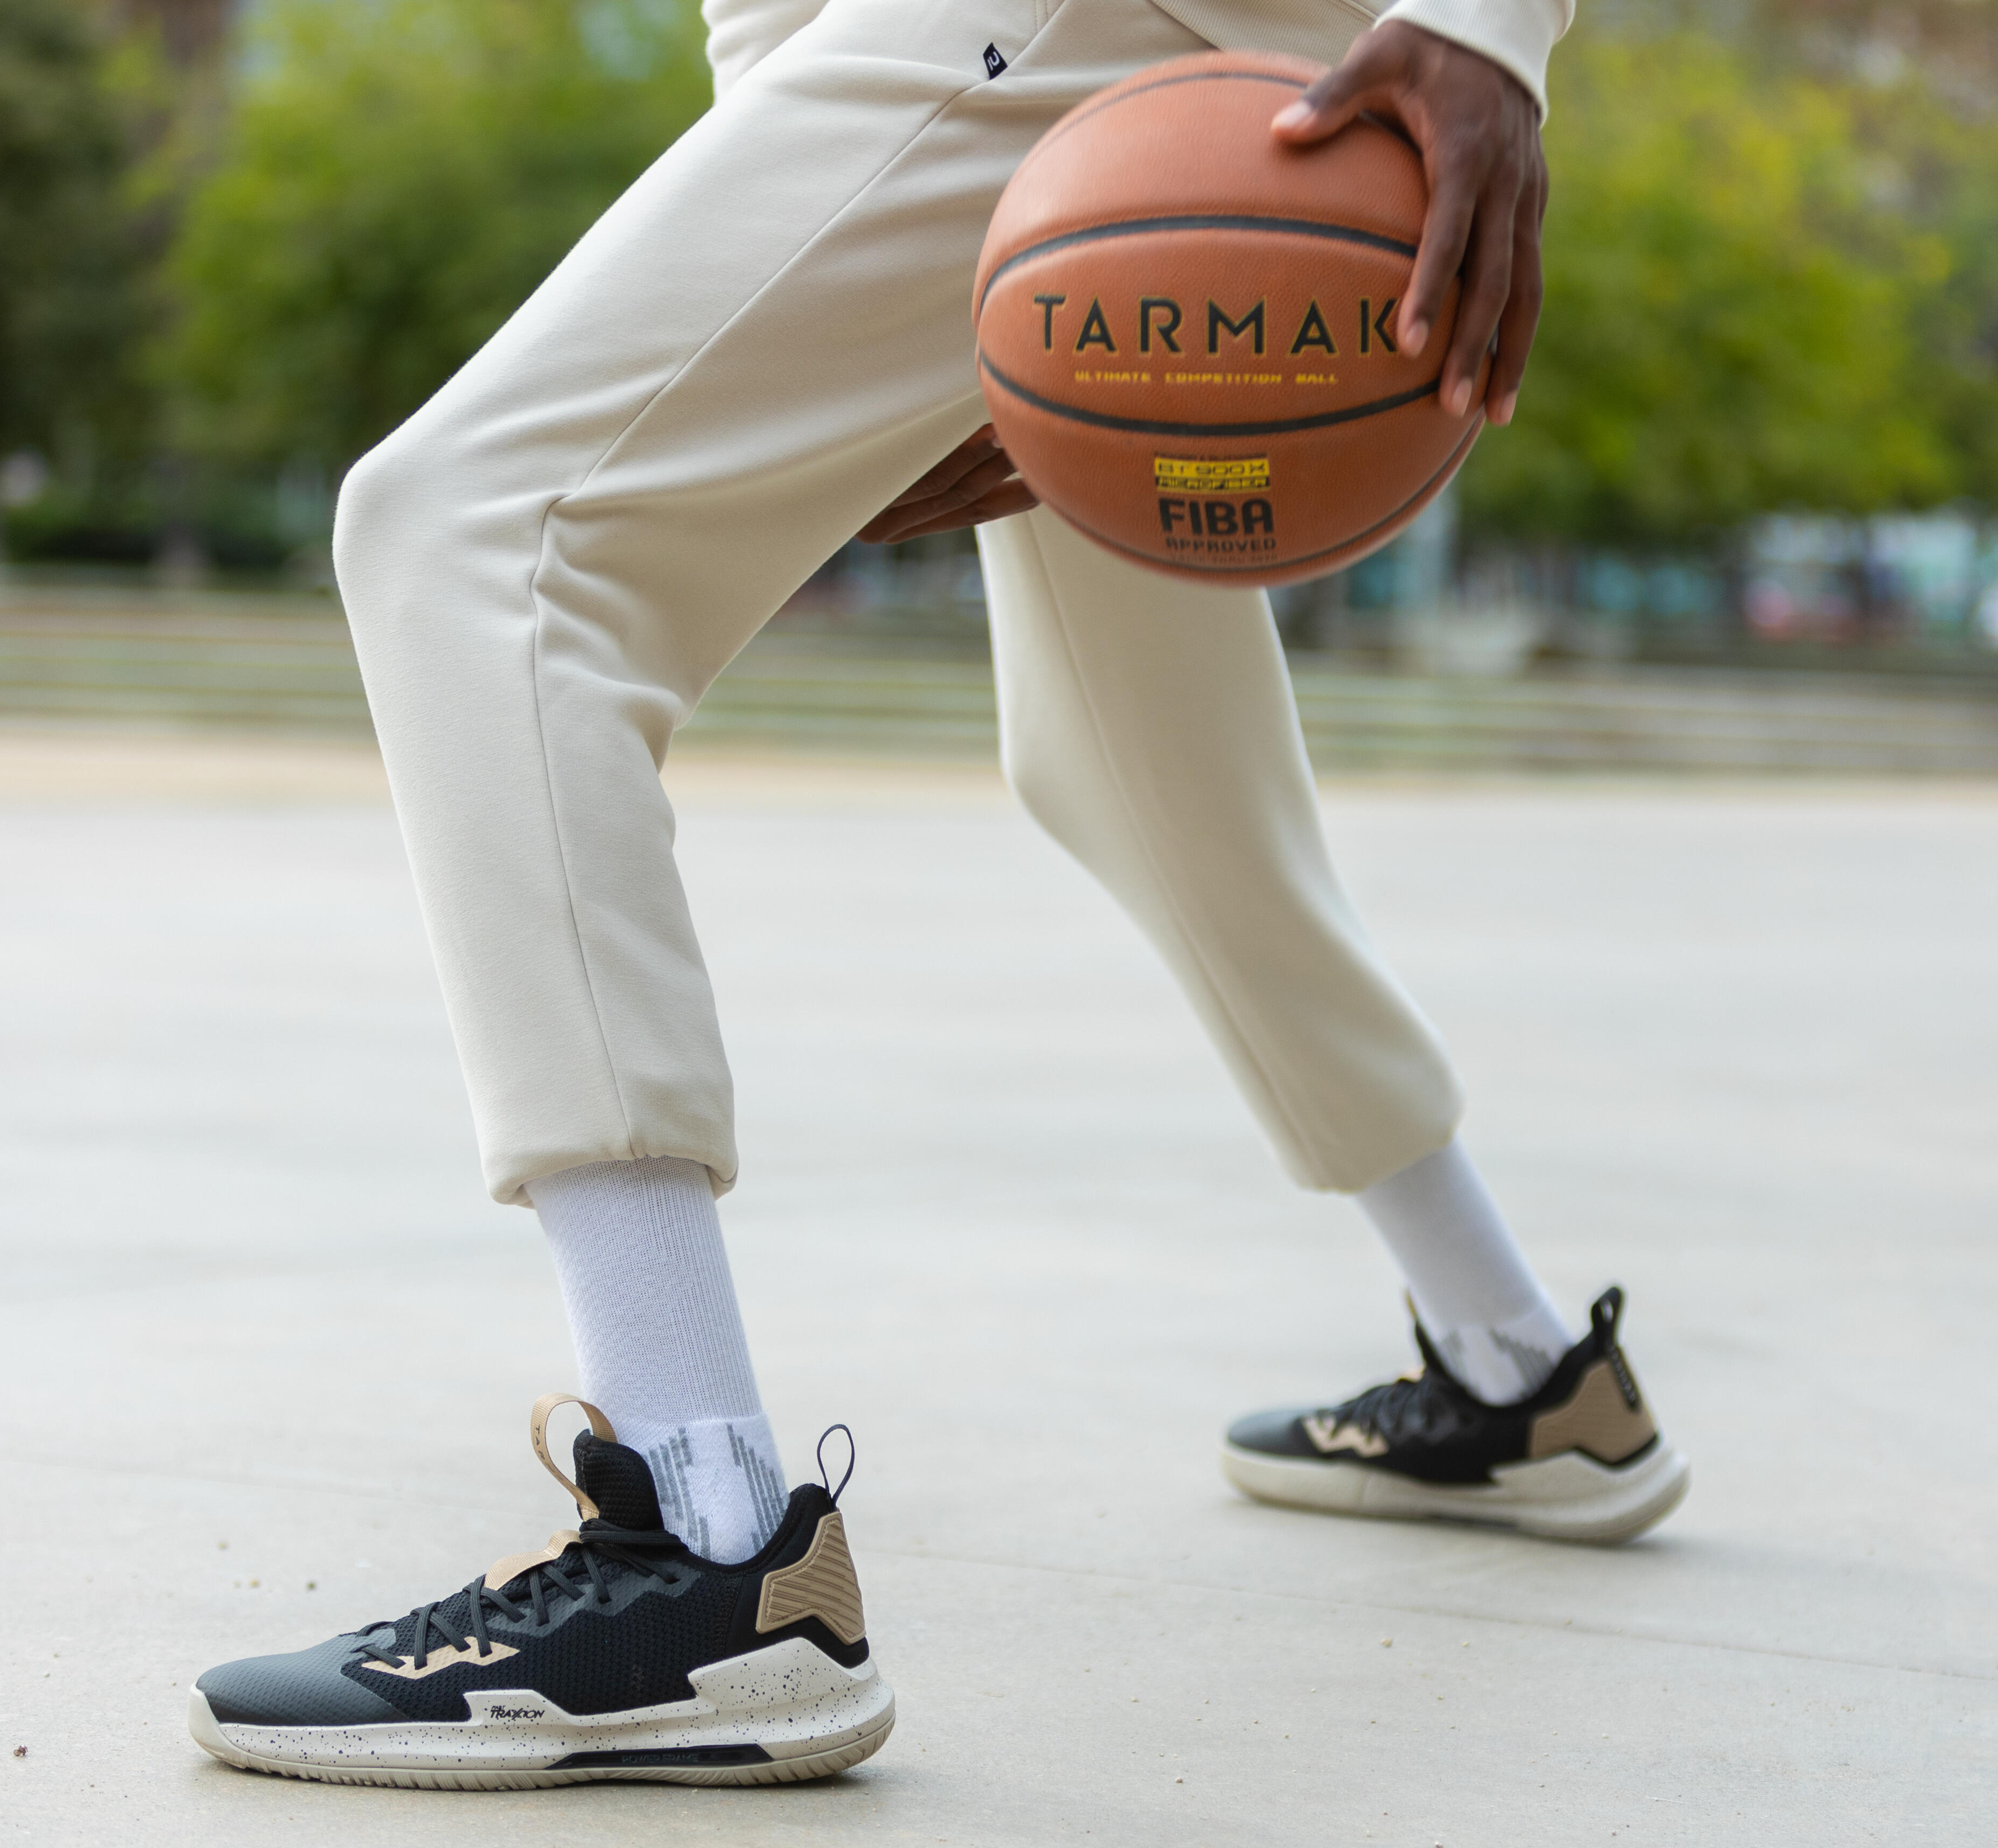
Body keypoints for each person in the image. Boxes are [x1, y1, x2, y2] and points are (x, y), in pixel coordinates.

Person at [185, 0, 1687, 1791]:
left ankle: (706, 1543)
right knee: (1129, 755)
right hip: (1090, 61)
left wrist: (1483, 24)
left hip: (1064, 26)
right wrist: (792, 142)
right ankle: (1522, 1367)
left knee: (473, 533)